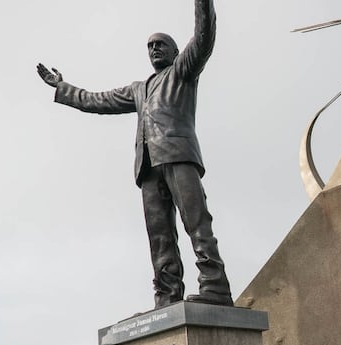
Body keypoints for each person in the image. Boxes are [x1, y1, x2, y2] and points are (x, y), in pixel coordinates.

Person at [36, 0, 232, 308]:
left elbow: (204, 36)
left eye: (161, 45)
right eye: (150, 46)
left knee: (196, 223)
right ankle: (167, 295)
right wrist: (63, 87)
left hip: (177, 155)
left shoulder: (183, 72)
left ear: (175, 52)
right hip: (148, 169)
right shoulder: (139, 89)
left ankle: (215, 285)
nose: (154, 49)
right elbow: (96, 100)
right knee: (160, 237)